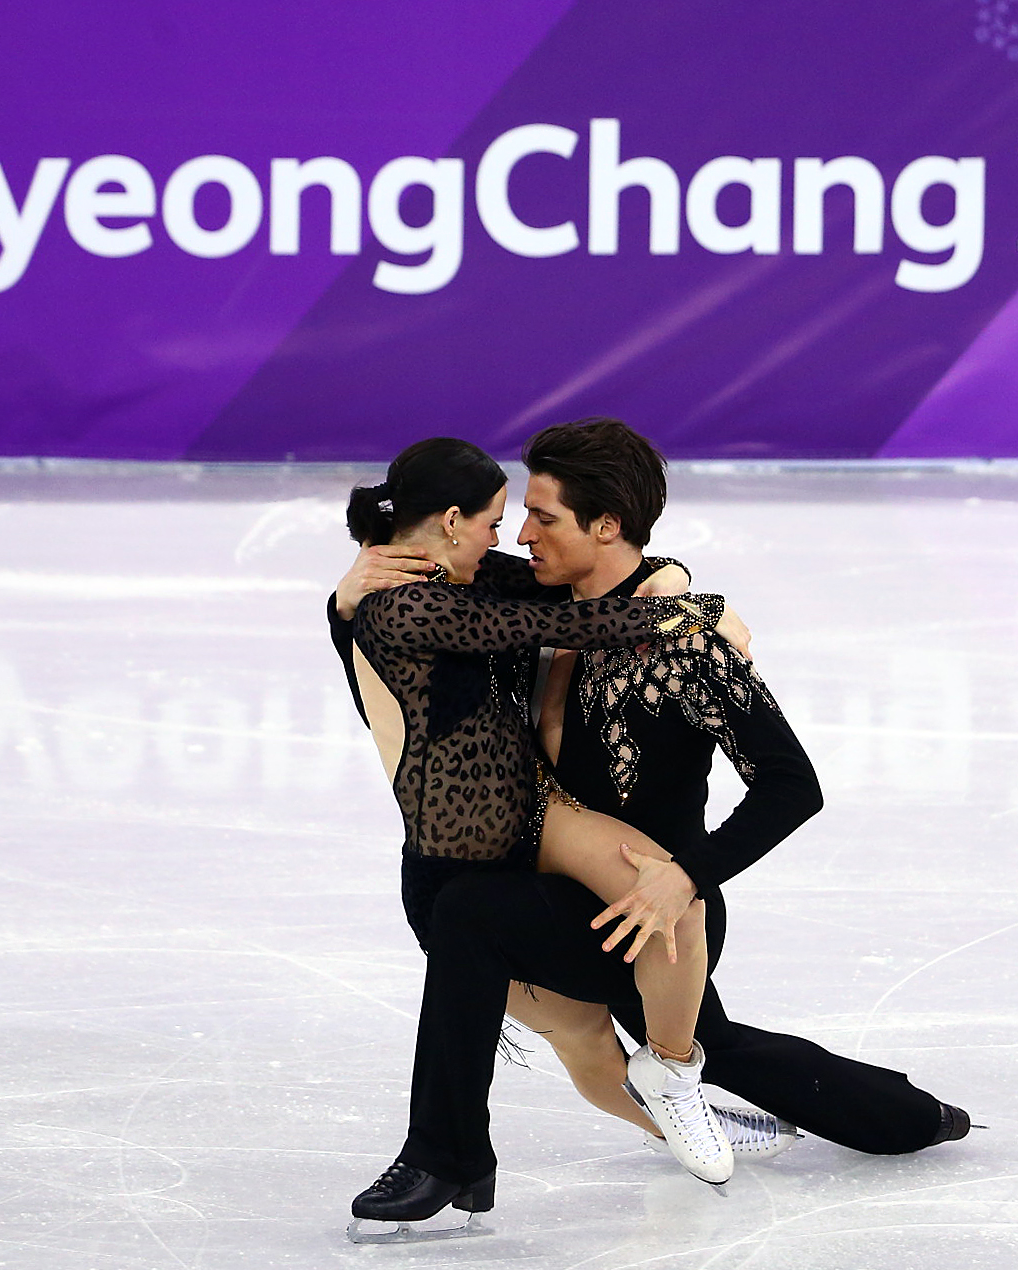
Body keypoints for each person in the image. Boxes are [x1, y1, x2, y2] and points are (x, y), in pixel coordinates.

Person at [331, 421, 970, 1235]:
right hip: (541, 884)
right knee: (517, 957)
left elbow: (791, 787)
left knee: (708, 1043)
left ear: (605, 524)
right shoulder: (520, 596)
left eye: (543, 517)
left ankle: (910, 1118)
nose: (522, 535)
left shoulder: (685, 646)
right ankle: (457, 1152)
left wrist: (686, 874)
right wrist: (345, 602)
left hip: (657, 903)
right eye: (516, 515)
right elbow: (402, 657)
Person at [334, 438, 742, 1232]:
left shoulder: (469, 573)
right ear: (452, 522)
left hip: (530, 815)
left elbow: (582, 585)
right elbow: (572, 622)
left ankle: (674, 1078)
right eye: (494, 520)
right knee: (584, 1044)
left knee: (671, 899)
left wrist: (676, 575)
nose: (508, 535)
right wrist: (696, 611)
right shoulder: (404, 604)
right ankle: (455, 1158)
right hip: (453, 863)